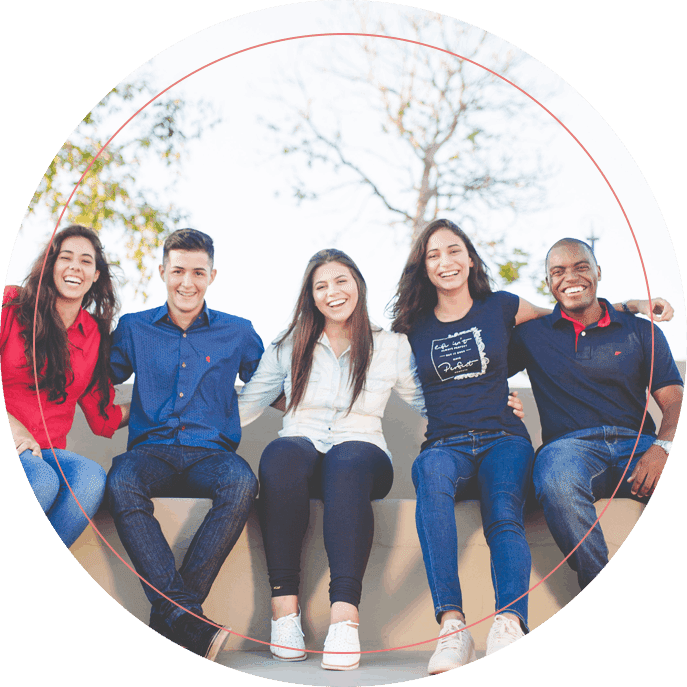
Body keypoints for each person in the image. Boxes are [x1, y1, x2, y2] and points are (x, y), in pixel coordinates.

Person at [390, 219, 663, 673]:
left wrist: (631, 305)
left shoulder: (503, 306)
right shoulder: (410, 326)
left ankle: (510, 623)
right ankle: (453, 627)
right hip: (444, 443)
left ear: (470, 258)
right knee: (429, 476)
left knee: (503, 510)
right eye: (433, 255)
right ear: (423, 266)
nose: (445, 261)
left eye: (454, 250)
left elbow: (570, 311)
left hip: (504, 438)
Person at [238, 248, 495, 671]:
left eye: (340, 281)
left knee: (347, 460)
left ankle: (344, 618)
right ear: (311, 296)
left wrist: (491, 407)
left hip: (363, 456)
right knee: (280, 454)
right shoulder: (289, 345)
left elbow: (432, 401)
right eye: (321, 286)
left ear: (357, 284)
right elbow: (246, 406)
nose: (332, 292)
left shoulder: (391, 346)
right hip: (301, 451)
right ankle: (284, 614)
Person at [106, 228, 264, 662]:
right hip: (150, 452)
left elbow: (276, 383)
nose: (187, 282)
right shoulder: (134, 328)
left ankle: (174, 618)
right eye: (178, 271)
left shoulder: (238, 332)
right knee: (121, 480)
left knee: (242, 483)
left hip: (212, 455)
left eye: (198, 272)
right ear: (162, 272)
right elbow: (96, 378)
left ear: (213, 275)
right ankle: (189, 621)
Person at [508, 237, 683, 590]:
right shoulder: (530, 335)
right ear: (548, 284)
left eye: (581, 267)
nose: (569, 277)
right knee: (556, 479)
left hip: (638, 446)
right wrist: (501, 401)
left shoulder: (641, 330)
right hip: (569, 450)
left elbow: (675, 401)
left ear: (598, 272)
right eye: (558, 271)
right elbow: (479, 370)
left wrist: (663, 448)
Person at [1, 224, 129, 548]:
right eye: (65, 257)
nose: (75, 266)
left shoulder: (95, 335)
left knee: (89, 479)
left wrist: (159, 397)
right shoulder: (12, 308)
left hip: (45, 451)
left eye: (86, 261)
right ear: (50, 265)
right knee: (41, 481)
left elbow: (104, 418)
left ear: (96, 274)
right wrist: (13, 426)